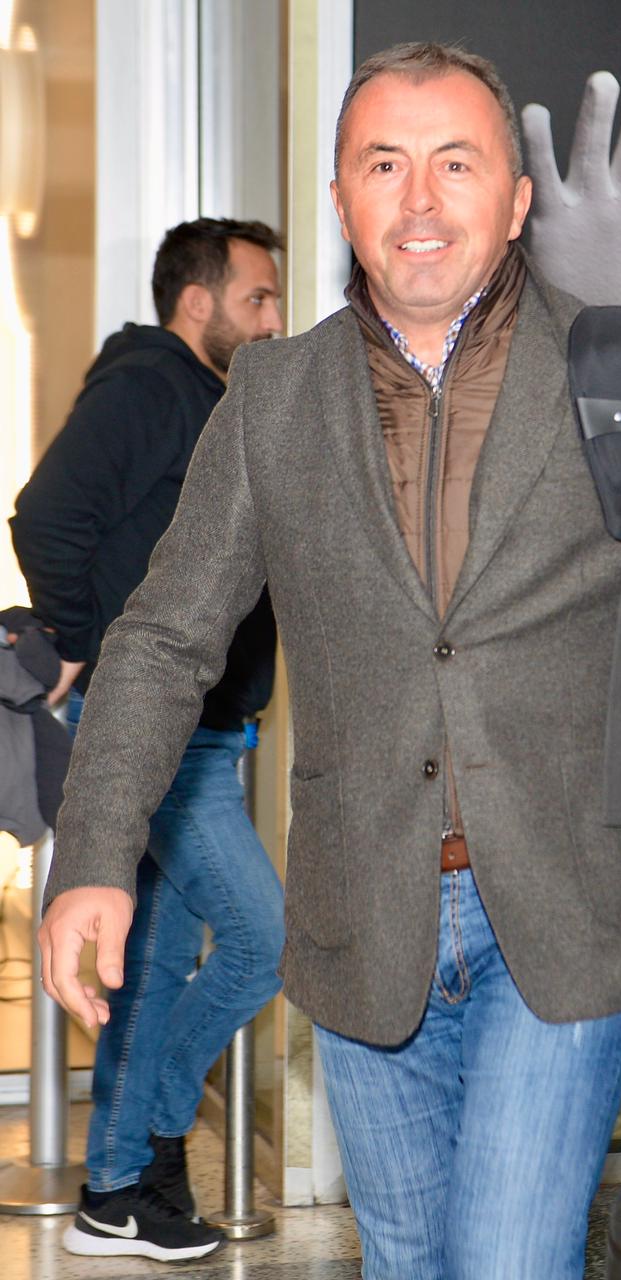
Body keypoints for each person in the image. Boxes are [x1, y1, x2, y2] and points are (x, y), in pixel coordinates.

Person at [36, 45, 621, 1278]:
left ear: (516, 198)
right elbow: (165, 635)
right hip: (363, 915)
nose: (419, 199)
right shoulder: (273, 396)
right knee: (407, 1261)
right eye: (383, 165)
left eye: (456, 163)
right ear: (341, 199)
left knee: (505, 1258)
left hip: (563, 906)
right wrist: (93, 855)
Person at [11, 218, 286, 1264]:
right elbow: (46, 514)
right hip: (167, 742)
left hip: (206, 734)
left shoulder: (212, 399)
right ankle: (162, 1132)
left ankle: (118, 1191)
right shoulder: (148, 389)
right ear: (197, 303)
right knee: (263, 941)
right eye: (257, 299)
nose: (274, 318)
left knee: (157, 963)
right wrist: (82, 645)